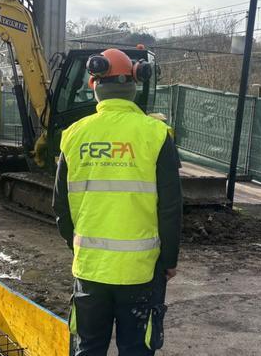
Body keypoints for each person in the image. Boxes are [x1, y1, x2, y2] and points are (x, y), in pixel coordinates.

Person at [53, 48, 183, 356]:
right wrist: (168, 260)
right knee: (137, 349)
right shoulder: (156, 134)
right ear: (134, 87)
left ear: (94, 85)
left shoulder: (73, 135)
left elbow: (60, 207)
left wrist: (81, 248)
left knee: (89, 348)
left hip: (90, 272)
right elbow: (170, 207)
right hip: (140, 273)